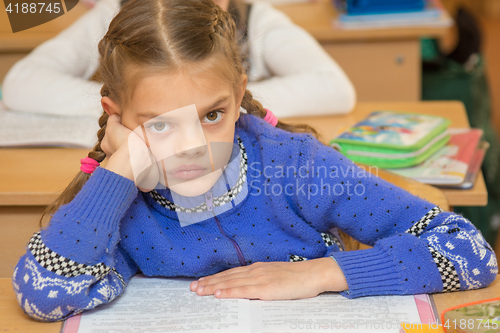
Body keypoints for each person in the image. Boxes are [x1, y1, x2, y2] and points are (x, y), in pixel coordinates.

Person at [13, 0, 497, 322]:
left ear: (240, 93)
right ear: (115, 116)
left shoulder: (298, 167)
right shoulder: (122, 201)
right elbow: (44, 294)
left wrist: (321, 274)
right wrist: (118, 171)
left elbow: (470, 255)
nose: (193, 147)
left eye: (213, 115)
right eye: (159, 124)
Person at [2, 0, 355, 119]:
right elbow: (22, 81)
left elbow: (334, 88)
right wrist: (133, 111)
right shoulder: (117, 12)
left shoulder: (256, 19)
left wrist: (223, 107)